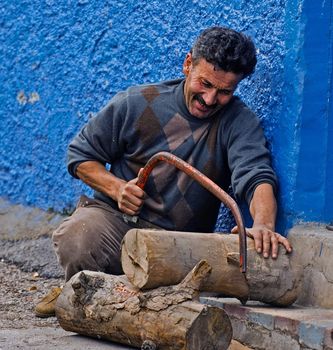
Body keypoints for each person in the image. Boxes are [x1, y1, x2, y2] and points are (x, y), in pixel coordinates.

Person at [35, 26, 292, 317]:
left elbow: (256, 176)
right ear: (187, 64)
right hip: (117, 224)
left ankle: (96, 297)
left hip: (179, 242)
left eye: (224, 92)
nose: (209, 99)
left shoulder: (238, 122)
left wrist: (263, 225)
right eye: (204, 83)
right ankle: (80, 292)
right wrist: (117, 188)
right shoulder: (137, 102)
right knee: (78, 237)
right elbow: (80, 156)